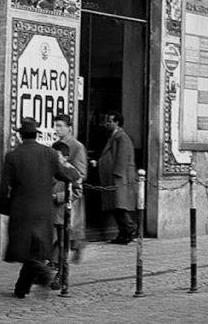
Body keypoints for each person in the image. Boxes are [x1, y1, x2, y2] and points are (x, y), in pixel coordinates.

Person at [0, 117, 80, 298]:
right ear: (36, 135)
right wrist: (71, 170)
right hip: (45, 209)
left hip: (21, 209)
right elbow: (70, 174)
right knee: (35, 249)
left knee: (24, 249)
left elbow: (4, 186)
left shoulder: (12, 156)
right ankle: (21, 288)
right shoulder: (49, 153)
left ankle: (43, 272)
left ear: (21, 136)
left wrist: (4, 208)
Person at [50, 114, 87, 289]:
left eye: (60, 126)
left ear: (69, 128)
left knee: (63, 237)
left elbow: (80, 173)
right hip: (54, 201)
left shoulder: (77, 147)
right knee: (57, 238)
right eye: (55, 126)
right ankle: (57, 267)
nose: (57, 129)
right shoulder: (55, 147)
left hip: (67, 200)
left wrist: (63, 191)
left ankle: (61, 273)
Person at [97, 112, 138, 244]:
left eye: (110, 121)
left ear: (117, 122)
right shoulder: (114, 137)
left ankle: (130, 229)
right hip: (116, 177)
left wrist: (117, 175)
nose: (107, 123)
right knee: (116, 206)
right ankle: (124, 233)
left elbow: (122, 158)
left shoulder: (121, 137)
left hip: (119, 178)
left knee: (119, 206)